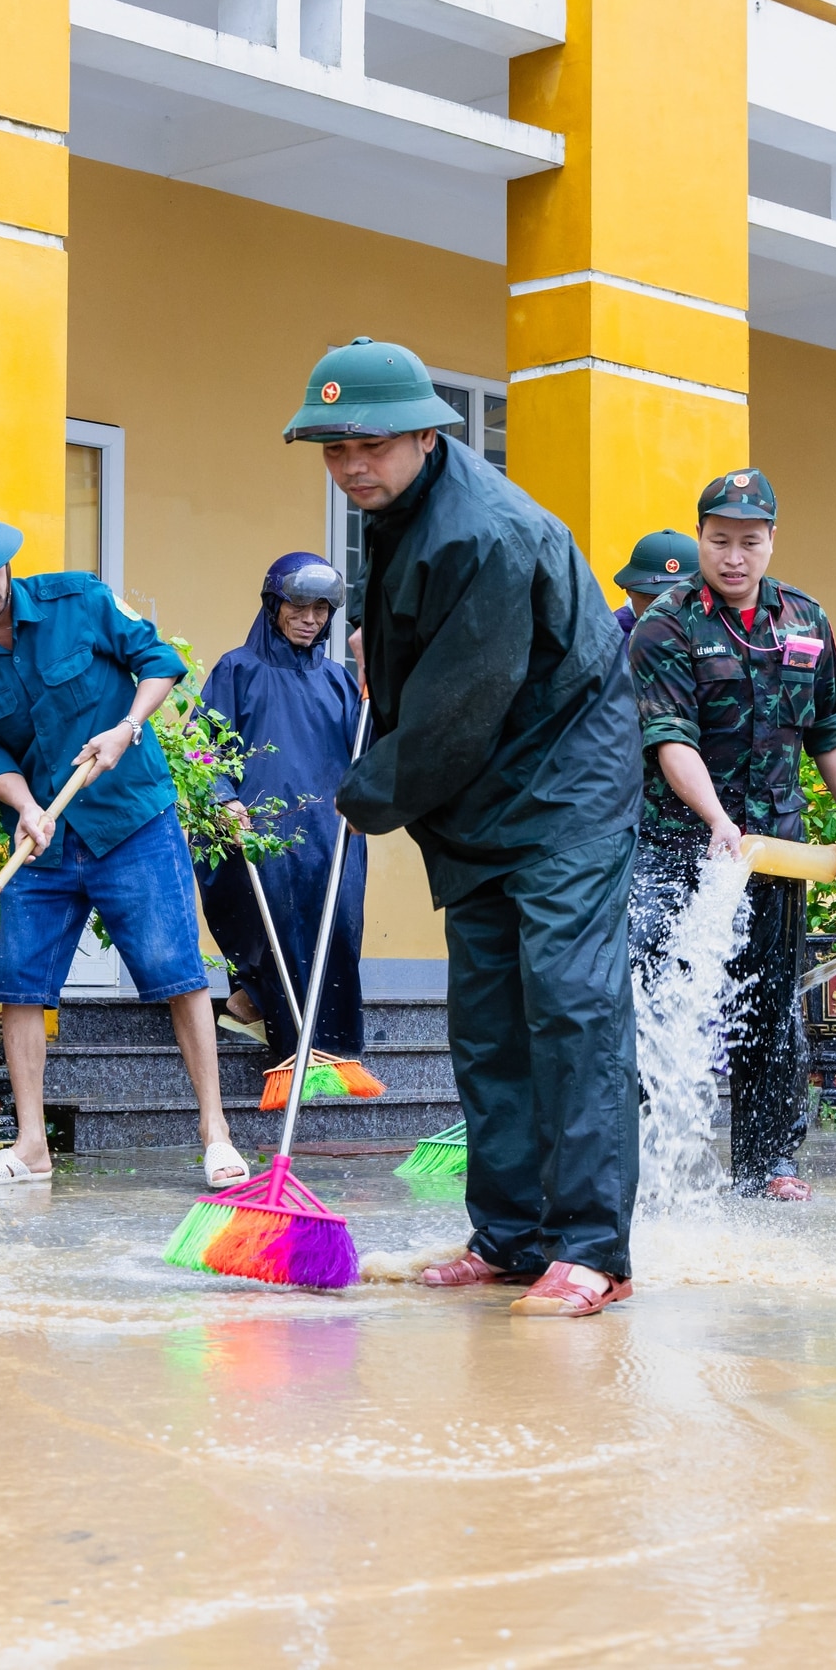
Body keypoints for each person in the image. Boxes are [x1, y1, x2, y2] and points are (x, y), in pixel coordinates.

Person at [293, 337, 641, 1318]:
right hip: (486, 793)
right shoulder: (397, 514)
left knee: (570, 1009)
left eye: (368, 443)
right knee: (487, 1016)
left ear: (420, 433)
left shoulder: (482, 532)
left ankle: (591, 1248)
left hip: (562, 787)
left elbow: (457, 710)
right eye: (331, 447)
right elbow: (427, 661)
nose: (350, 463)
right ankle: (510, 1236)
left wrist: (365, 793)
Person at [0, 502, 247, 1191]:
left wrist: (128, 725)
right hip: (45, 837)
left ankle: (215, 1132)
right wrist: (27, 805)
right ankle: (32, 1146)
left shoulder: (81, 599)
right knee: (20, 984)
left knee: (176, 971)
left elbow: (158, 662)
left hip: (131, 819)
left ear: (6, 558)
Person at [627, 468, 836, 1201]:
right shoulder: (665, 626)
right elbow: (669, 739)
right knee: (654, 997)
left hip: (777, 849)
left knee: (769, 1001)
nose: (734, 557)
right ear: (700, 536)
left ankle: (769, 1163)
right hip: (680, 845)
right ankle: (638, 1158)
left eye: (750, 542)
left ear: (771, 540)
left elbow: (830, 726)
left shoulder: (804, 620)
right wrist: (715, 821)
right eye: (720, 541)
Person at [195, 552, 367, 1055]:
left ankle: (330, 1056)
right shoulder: (237, 669)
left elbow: (367, 749)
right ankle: (276, 1030)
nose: (310, 619)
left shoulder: (340, 680)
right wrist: (222, 800)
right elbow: (203, 750)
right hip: (257, 830)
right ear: (274, 604)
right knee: (266, 929)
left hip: (331, 833)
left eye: (321, 609)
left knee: (337, 934)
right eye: (298, 606)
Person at [612, 529, 699, 642]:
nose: (668, 612)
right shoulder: (608, 640)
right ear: (629, 591)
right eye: (653, 600)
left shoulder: (718, 630)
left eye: (682, 600)